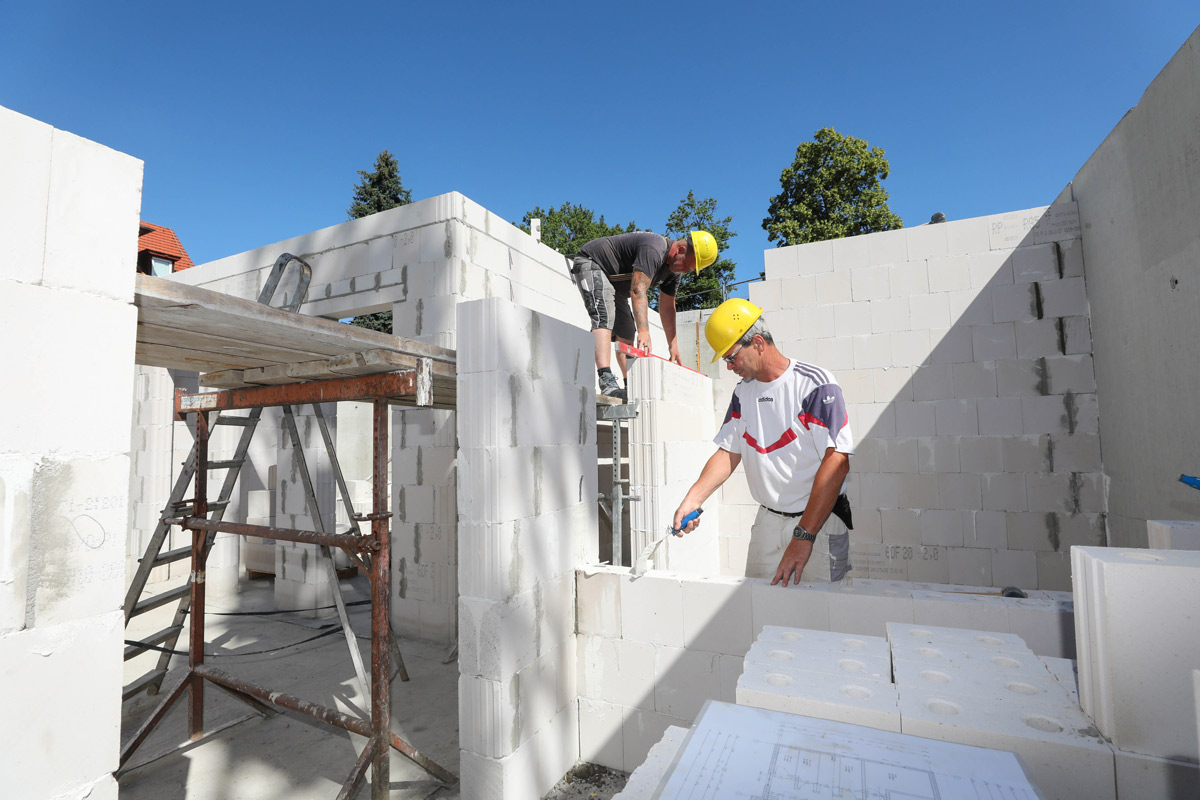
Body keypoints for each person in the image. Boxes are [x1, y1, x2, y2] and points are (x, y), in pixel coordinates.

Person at [671, 299, 855, 586]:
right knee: (760, 609)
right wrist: (693, 499)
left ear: (757, 343)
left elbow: (838, 462)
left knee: (822, 616)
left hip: (817, 522)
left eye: (731, 357)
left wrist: (804, 535)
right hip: (768, 523)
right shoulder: (743, 393)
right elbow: (728, 452)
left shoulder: (815, 385)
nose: (729, 367)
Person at [571, 230, 718, 400]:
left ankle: (628, 384)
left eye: (690, 270)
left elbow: (667, 307)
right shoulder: (654, 249)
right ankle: (606, 380)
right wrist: (644, 330)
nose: (685, 271)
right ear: (681, 250)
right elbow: (637, 289)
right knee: (603, 315)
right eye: (687, 266)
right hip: (592, 263)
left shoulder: (673, 273)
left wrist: (673, 344)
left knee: (626, 331)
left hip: (614, 284)